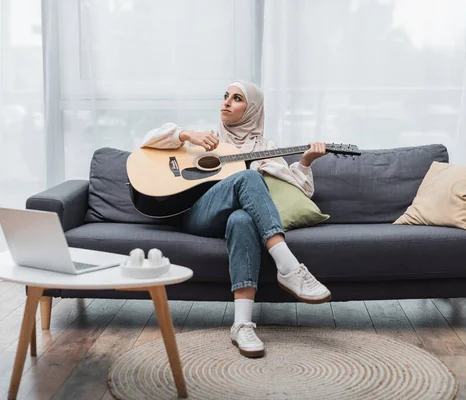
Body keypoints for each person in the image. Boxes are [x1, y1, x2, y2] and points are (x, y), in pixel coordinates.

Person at [141, 80, 330, 358]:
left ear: (252, 109)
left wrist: (305, 163)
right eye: (226, 96)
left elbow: (300, 190)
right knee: (249, 176)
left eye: (237, 98)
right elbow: (147, 141)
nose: (227, 102)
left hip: (235, 222)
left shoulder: (266, 147)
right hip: (199, 216)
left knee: (242, 219)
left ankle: (241, 324)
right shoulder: (205, 138)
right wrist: (185, 135)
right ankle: (288, 267)